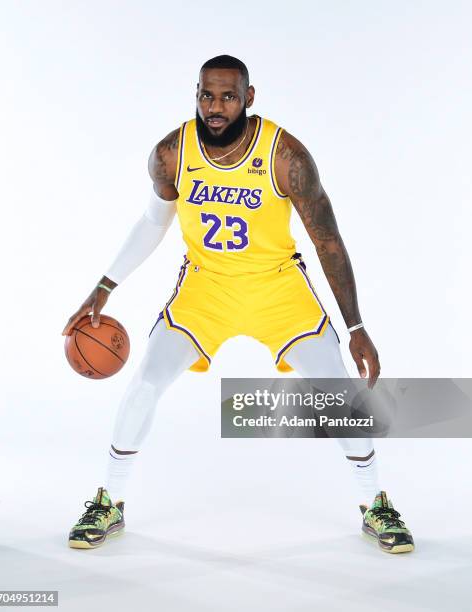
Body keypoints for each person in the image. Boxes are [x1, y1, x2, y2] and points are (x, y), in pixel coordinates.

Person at [62, 55, 414, 554]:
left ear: (249, 97)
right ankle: (109, 503)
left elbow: (327, 240)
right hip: (207, 289)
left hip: (278, 288)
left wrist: (355, 325)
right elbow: (151, 223)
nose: (216, 107)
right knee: (144, 382)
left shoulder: (285, 154)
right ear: (197, 94)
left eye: (228, 96)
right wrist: (103, 286)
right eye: (207, 95)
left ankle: (375, 504)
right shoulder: (170, 153)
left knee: (338, 391)